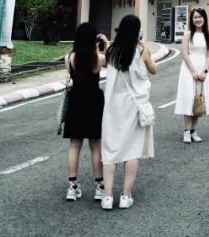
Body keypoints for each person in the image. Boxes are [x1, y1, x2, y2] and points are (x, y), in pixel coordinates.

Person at [101, 15, 157, 210]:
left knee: (111, 151)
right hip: (134, 107)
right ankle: (126, 196)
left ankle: (107, 197)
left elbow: (102, 63)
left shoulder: (111, 51)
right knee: (131, 151)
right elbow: (153, 70)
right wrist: (143, 47)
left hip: (113, 107)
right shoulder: (141, 50)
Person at [62, 23, 108, 202]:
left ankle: (72, 187)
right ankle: (99, 186)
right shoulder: (99, 58)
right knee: (96, 145)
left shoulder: (69, 57)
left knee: (74, 145)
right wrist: (105, 44)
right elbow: (113, 62)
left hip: (75, 100)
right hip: (94, 101)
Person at [175, 7, 209, 143]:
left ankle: (193, 130)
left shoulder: (208, 34)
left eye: (200, 17)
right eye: (195, 17)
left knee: (199, 100)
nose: (198, 19)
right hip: (188, 70)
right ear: (192, 19)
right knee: (189, 98)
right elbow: (184, 53)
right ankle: (186, 131)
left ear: (204, 18)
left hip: (202, 69)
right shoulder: (188, 34)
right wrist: (193, 72)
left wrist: (204, 71)